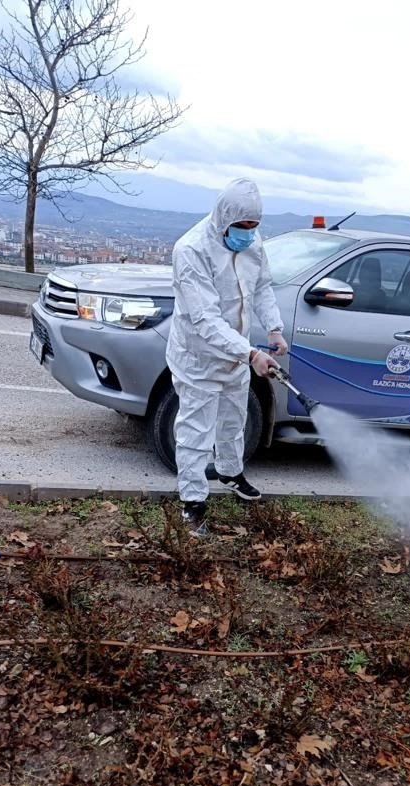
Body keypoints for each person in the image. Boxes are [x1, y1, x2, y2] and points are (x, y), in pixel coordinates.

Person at [166, 178, 288, 535]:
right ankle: (192, 503)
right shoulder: (190, 251)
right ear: (224, 219)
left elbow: (262, 286)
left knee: (234, 420)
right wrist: (250, 353)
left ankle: (231, 473)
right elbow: (205, 320)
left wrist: (274, 328)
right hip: (198, 358)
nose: (248, 234)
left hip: (237, 355)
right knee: (196, 431)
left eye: (254, 227)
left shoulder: (252, 242)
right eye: (242, 227)